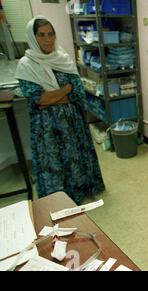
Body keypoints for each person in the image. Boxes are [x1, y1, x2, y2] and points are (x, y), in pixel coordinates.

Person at [15, 16, 105, 205]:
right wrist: (65, 91)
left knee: (76, 157)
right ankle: (57, 201)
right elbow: (38, 99)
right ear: (33, 37)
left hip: (72, 121)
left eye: (51, 34)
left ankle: (81, 192)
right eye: (41, 35)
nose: (48, 39)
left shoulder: (62, 58)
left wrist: (53, 97)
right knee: (54, 161)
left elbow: (77, 90)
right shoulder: (26, 65)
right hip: (47, 126)